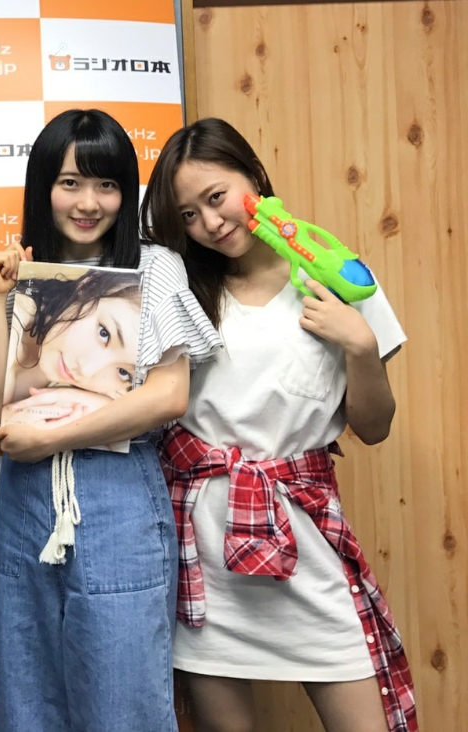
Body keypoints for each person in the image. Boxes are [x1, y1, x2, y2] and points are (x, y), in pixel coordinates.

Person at [142, 117, 417, 732]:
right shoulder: (182, 289)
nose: (211, 223)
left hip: (305, 531)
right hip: (204, 549)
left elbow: (374, 427)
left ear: (254, 177)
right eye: (188, 215)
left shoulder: (334, 273)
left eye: (217, 197)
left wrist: (361, 346)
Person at [0, 109, 222, 731]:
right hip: (26, 507)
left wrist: (51, 435)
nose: (89, 202)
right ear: (43, 187)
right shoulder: (22, 271)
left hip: (119, 500)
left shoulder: (156, 266)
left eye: (107, 185)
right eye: (70, 182)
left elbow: (168, 396)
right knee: (29, 702)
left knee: (123, 704)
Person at [0, 268, 142, 432]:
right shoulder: (14, 314)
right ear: (88, 288)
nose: (86, 370)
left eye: (123, 372)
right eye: (104, 333)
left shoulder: (118, 390)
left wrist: (100, 405)